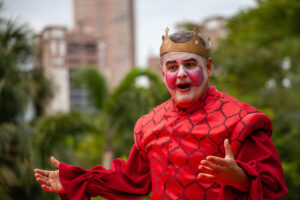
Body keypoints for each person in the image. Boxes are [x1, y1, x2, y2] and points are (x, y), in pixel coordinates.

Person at [35, 27, 288, 200]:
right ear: (162, 72)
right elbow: (131, 179)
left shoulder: (242, 121)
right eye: (172, 66)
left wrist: (241, 178)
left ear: (208, 67)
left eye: (190, 65)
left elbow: (274, 187)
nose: (181, 74)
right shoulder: (149, 123)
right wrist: (76, 180)